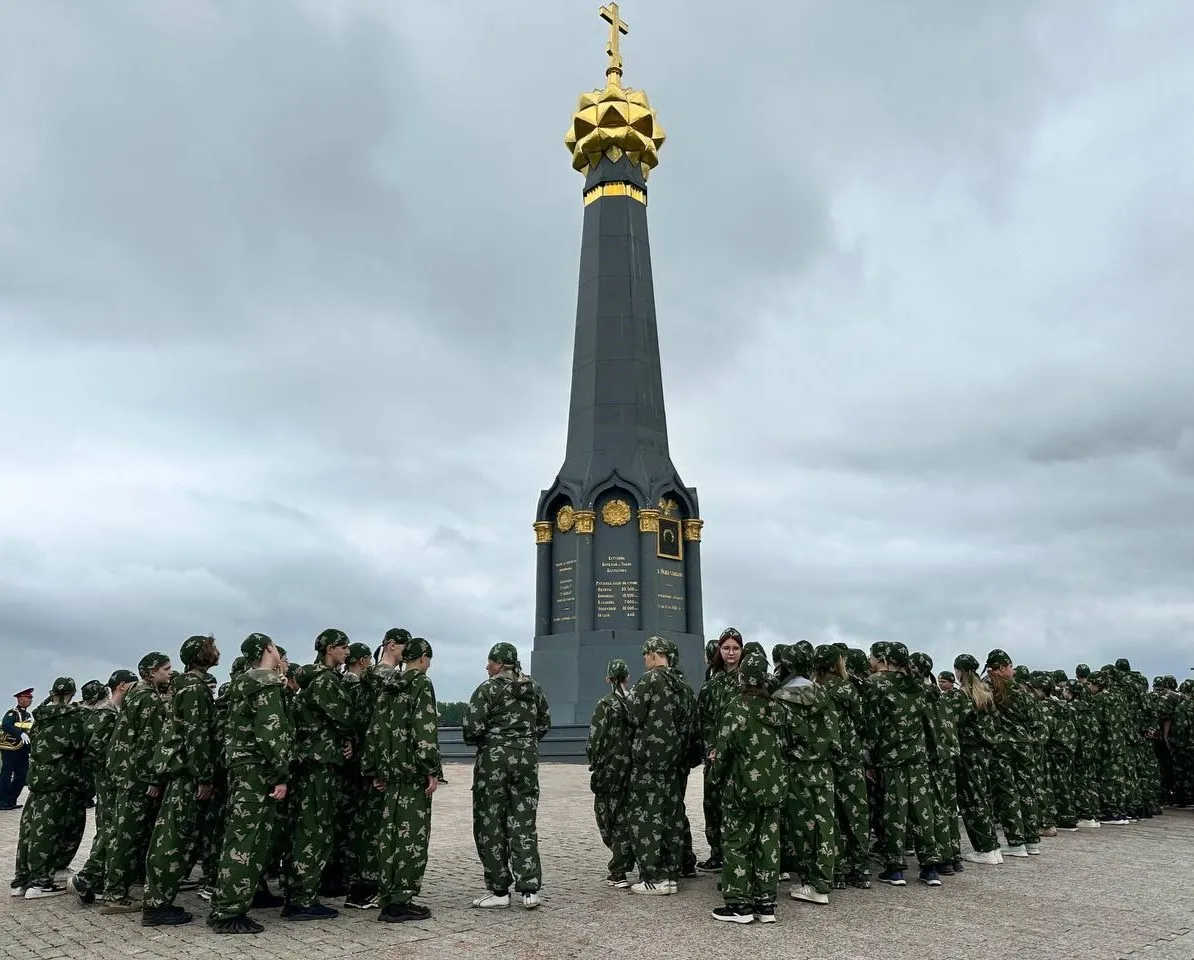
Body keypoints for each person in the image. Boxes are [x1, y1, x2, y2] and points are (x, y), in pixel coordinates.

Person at [207, 633, 294, 935]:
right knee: (248, 840)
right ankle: (228, 912)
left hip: (243, 769)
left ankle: (227, 904)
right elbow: (270, 734)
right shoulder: (265, 683)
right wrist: (281, 774)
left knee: (238, 837)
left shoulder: (243, 683)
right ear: (269, 649)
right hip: (258, 772)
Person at [462, 642, 551, 909]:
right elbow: (545, 723)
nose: (487, 666)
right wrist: (524, 742)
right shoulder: (533, 689)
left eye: (490, 662)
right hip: (527, 760)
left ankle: (499, 891)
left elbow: (471, 730)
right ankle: (530, 889)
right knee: (523, 822)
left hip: (494, 763)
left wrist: (494, 740)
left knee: (490, 824)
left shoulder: (487, 689)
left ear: (499, 664)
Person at [141, 636, 220, 926]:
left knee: (174, 834)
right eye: (213, 647)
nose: (217, 651)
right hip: (187, 774)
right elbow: (195, 736)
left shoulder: (186, 685)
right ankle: (157, 904)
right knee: (173, 837)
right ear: (202, 654)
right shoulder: (194, 688)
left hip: (183, 772)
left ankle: (158, 900)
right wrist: (203, 776)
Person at [362, 636, 440, 922]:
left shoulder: (388, 686)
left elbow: (375, 729)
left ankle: (387, 892)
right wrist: (430, 769)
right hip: (411, 775)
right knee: (412, 837)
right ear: (424, 658)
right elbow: (425, 727)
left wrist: (374, 770)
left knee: (389, 836)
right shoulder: (421, 683)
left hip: (391, 775)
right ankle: (400, 899)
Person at [708, 648, 787, 924]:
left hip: (741, 788)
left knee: (737, 843)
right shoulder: (777, 710)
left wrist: (714, 776)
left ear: (743, 678)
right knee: (768, 845)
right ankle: (766, 904)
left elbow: (724, 750)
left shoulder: (736, 708)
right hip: (773, 788)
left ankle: (739, 905)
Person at [282, 628, 355, 921]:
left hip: (311, 761)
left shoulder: (309, 680)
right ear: (329, 650)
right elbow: (345, 716)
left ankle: (298, 892)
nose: (347, 652)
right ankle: (301, 899)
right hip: (319, 764)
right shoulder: (325, 681)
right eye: (343, 647)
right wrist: (349, 737)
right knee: (314, 829)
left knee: (306, 826)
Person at [100, 653, 173, 913]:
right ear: (151, 672)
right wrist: (153, 778)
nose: (169, 673)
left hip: (127, 776)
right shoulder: (148, 700)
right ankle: (115, 895)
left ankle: (117, 890)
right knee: (127, 837)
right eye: (165, 669)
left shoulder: (136, 696)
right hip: (137, 779)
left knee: (124, 835)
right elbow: (149, 744)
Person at [623, 636, 692, 897]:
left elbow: (633, 715)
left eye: (645, 655)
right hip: (674, 762)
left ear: (653, 654)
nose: (644, 660)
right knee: (672, 816)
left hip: (649, 762)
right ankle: (672, 873)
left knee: (647, 818)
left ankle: (654, 876)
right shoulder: (682, 683)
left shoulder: (650, 680)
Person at [10, 677, 86, 899]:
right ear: (71, 693)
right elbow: (79, 745)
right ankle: (39, 882)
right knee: (47, 831)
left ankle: (20, 881)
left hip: (37, 778)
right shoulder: (71, 718)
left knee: (29, 829)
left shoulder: (40, 717)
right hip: (59, 779)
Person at [71, 670, 138, 904]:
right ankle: (88, 877)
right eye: (132, 685)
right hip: (109, 780)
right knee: (110, 828)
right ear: (121, 686)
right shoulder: (107, 714)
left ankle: (95, 879)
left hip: (109, 778)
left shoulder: (112, 711)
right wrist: (111, 769)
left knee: (109, 828)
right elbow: (94, 750)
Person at [696, 627, 743, 872]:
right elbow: (703, 720)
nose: (731, 653)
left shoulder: (748, 682)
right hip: (715, 758)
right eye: (726, 648)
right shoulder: (711, 686)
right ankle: (717, 853)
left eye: (735, 648)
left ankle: (739, 855)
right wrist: (709, 748)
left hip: (741, 758)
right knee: (713, 805)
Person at [586, 659, 635, 888]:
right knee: (625, 816)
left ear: (608, 678)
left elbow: (595, 740)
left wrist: (595, 763)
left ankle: (619, 869)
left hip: (609, 770)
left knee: (606, 818)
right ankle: (624, 862)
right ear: (627, 677)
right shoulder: (635, 703)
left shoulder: (604, 705)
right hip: (632, 768)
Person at [950, 655, 1003, 865]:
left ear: (959, 670)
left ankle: (985, 848)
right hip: (983, 751)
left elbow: (953, 721)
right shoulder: (985, 693)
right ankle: (992, 845)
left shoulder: (962, 695)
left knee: (972, 800)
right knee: (982, 796)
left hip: (967, 752)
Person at [0, 688, 34, 811]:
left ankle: (11, 799)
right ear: (20, 699)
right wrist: (20, 734)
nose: (31, 700)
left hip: (22, 750)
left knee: (21, 775)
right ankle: (2, 801)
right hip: (10, 749)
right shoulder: (12, 713)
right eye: (28, 698)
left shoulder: (27, 715)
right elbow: (6, 725)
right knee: (6, 774)